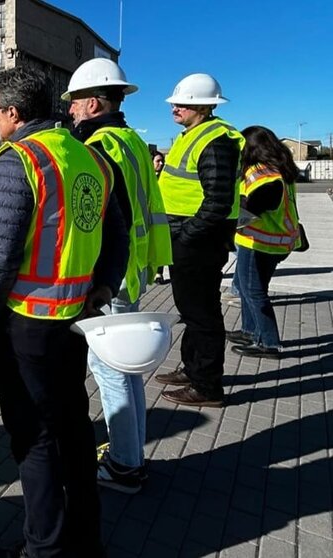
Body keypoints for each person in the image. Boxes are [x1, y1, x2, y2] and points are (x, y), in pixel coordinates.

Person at [0, 66, 129, 558]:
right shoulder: (92, 158)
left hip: (27, 323)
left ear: (14, 113)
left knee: (33, 437)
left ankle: (43, 548)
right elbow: (118, 235)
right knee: (74, 428)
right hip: (77, 319)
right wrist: (102, 288)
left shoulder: (18, 158)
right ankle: (87, 540)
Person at [64, 58, 173, 494]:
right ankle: (130, 455)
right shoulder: (129, 140)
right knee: (125, 370)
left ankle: (126, 465)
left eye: (73, 104)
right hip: (133, 269)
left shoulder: (100, 146)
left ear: (92, 103)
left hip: (113, 277)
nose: (69, 112)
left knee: (111, 371)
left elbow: (108, 218)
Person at [153, 74, 244, 408]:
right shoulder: (193, 134)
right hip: (191, 237)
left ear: (205, 106)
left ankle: (206, 386)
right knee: (192, 311)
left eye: (184, 103)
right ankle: (193, 370)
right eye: (176, 102)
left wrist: (187, 235)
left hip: (199, 241)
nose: (175, 107)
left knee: (202, 313)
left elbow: (218, 202)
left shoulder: (215, 141)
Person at [226, 126, 301, 359]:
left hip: (259, 242)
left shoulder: (266, 176)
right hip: (274, 241)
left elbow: (254, 207)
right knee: (250, 290)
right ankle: (250, 332)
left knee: (254, 292)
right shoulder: (279, 170)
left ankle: (269, 343)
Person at [151, 148, 169, 285]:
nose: (161, 164)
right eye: (158, 161)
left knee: (161, 244)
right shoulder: (148, 178)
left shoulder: (167, 177)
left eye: (162, 161)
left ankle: (159, 273)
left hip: (164, 216)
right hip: (150, 216)